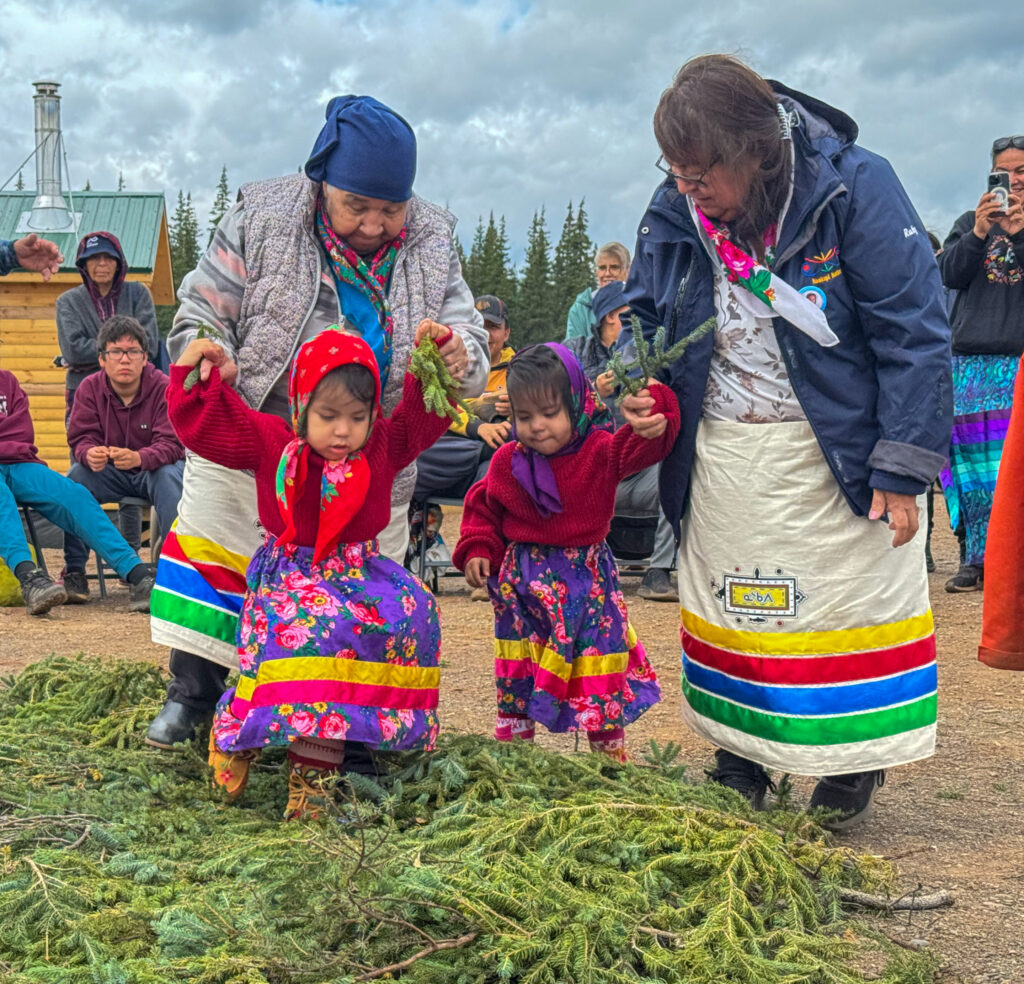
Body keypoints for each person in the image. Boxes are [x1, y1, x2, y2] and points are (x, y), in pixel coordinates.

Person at [622, 55, 951, 828]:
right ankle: (741, 757)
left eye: (701, 173)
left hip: (833, 447)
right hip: (724, 445)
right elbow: (640, 310)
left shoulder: (855, 187)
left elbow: (915, 331)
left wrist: (902, 462)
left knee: (842, 611)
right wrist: (634, 377)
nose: (685, 188)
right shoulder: (677, 207)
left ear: (757, 154)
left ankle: (852, 759)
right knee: (740, 607)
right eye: (674, 171)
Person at [145, 94, 488, 750]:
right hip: (261, 432)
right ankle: (194, 694)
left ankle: (347, 726)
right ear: (321, 179)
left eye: (391, 209)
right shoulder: (262, 215)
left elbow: (466, 338)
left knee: (358, 601)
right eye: (357, 205)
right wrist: (204, 347)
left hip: (371, 442)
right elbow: (202, 306)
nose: (374, 223)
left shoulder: (433, 238)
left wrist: (456, 353)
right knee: (223, 557)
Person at [168, 324, 452, 819]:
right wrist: (194, 374)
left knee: (414, 611)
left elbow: (423, 417)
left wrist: (433, 358)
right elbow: (210, 424)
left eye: (357, 417)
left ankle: (323, 767)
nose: (343, 431)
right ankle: (243, 733)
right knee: (316, 635)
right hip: (292, 576)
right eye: (328, 416)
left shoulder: (381, 446)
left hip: (359, 575)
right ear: (301, 408)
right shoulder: (272, 444)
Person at [453, 343, 679, 762]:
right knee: (520, 669)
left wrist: (655, 403)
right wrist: (478, 547)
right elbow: (483, 506)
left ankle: (609, 762)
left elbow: (653, 442)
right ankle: (514, 762)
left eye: (549, 413)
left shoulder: (601, 451)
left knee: (599, 662)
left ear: (576, 405)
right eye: (524, 417)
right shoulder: (507, 461)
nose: (537, 427)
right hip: (525, 588)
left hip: (588, 583)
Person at [937, 137, 1024, 593]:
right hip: (969, 365)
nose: (1014, 181)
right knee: (970, 473)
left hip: (1020, 364)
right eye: (1004, 173)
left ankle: (1013, 566)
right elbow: (947, 274)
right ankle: (973, 559)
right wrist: (978, 233)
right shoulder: (969, 223)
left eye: (1022, 171)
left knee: (1015, 471)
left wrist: (1018, 236)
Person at [0, 367, 156, 615]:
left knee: (75, 494)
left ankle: (137, 576)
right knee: (1, 499)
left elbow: (21, 432)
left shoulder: (7, 381)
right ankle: (30, 579)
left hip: (16, 462)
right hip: (9, 458)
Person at [566, 280, 679, 601]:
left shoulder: (648, 357)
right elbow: (554, 403)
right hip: (595, 471)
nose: (636, 322)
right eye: (629, 314)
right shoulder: (576, 351)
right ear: (610, 317)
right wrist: (592, 391)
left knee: (676, 473)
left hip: (641, 472)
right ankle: (577, 570)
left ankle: (658, 572)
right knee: (560, 470)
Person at [61, 316, 184, 603]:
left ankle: (174, 572)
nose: (124, 360)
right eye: (116, 352)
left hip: (151, 471)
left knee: (170, 475)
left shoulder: (164, 387)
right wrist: (88, 453)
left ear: (145, 357)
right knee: (77, 478)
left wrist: (140, 457)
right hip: (108, 472)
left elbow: (173, 444)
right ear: (102, 359)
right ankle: (75, 572)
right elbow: (80, 438)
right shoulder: (89, 388)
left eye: (133, 352)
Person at [410, 293, 514, 596]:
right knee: (411, 455)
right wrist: (475, 425)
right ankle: (409, 557)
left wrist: (516, 404)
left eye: (494, 326)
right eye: (481, 325)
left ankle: (488, 570)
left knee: (496, 465)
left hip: (485, 464)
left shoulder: (519, 369)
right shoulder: (449, 363)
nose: (489, 333)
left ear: (506, 332)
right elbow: (434, 405)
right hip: (450, 454)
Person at [55, 231, 160, 410]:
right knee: (84, 437)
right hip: (84, 391)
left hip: (135, 391)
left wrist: (100, 353)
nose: (102, 263)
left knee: (138, 437)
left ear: (119, 263)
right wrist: (127, 351)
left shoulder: (138, 294)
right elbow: (73, 350)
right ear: (84, 264)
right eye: (94, 257)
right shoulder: (68, 302)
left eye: (109, 257)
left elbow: (149, 344)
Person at [563, 242, 631, 341]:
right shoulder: (580, 309)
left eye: (614, 267)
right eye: (602, 268)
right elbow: (573, 352)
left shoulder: (639, 304)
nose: (607, 273)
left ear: (628, 270)